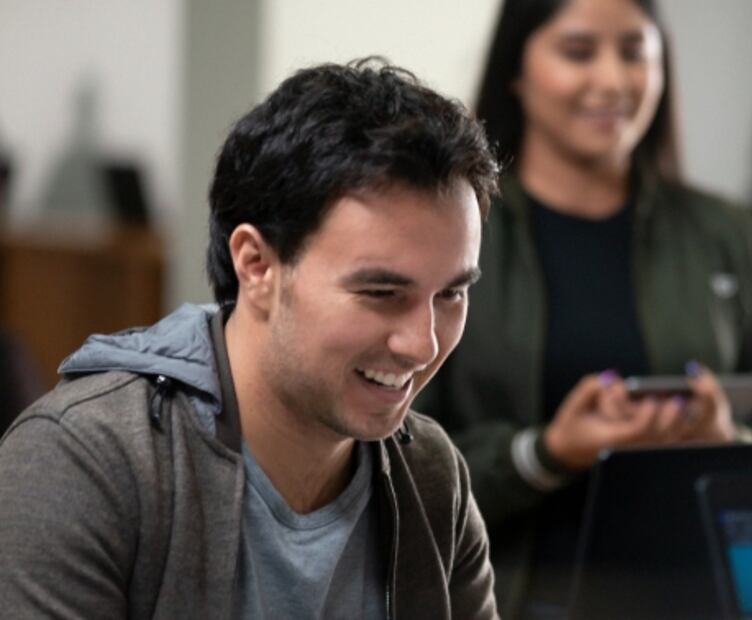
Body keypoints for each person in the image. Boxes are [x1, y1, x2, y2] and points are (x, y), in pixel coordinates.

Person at [0, 59, 501, 619]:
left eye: (451, 294)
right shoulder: (87, 462)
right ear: (257, 265)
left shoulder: (429, 475)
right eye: (382, 292)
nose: (422, 344)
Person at [414, 0, 752, 617]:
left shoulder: (728, 236)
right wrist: (543, 454)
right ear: (517, 72)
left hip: (697, 597)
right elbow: (394, 456)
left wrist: (725, 439)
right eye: (578, 52)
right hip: (503, 598)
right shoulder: (457, 235)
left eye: (635, 53)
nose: (612, 80)